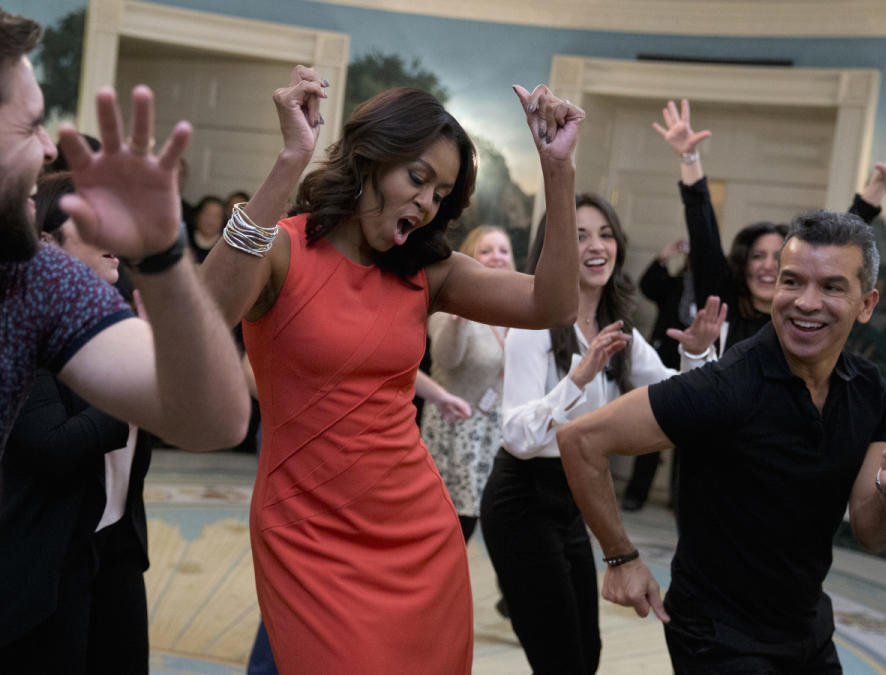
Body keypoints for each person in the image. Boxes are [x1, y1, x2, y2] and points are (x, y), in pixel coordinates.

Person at [200, 65, 585, 673]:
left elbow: (554, 305)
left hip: (416, 533)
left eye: (441, 193)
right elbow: (203, 321)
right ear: (369, 159)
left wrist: (558, 172)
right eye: (418, 177)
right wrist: (290, 159)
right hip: (305, 532)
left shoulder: (428, 272)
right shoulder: (281, 248)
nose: (427, 203)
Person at [557, 209, 886, 673]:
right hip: (717, 638)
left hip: (807, 630)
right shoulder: (726, 385)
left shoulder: (869, 393)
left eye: (832, 287)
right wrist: (621, 557)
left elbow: (874, 533)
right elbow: (580, 439)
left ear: (867, 303)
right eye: (792, 281)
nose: (805, 302)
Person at [480, 193, 726, 675]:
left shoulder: (623, 335)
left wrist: (696, 355)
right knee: (561, 661)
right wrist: (579, 378)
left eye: (605, 234)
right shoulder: (534, 326)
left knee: (585, 656)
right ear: (553, 249)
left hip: (575, 502)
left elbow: (685, 400)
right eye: (579, 235)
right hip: (521, 502)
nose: (597, 245)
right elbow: (518, 435)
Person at [0, 10, 248, 454]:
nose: (48, 148)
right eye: (29, 125)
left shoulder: (33, 278)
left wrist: (162, 256)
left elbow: (217, 423)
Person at [0, 172, 152, 674]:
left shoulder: (118, 306)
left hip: (115, 546)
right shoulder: (22, 317)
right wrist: (137, 385)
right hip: (47, 560)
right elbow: (52, 443)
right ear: (46, 240)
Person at [653, 99, 886, 353]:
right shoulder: (722, 304)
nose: (768, 265)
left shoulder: (806, 317)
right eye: (757, 256)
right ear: (744, 264)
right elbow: (703, 231)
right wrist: (690, 158)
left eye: (778, 258)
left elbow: (846, 238)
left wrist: (880, 184)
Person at [420, 224, 514, 542]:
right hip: (456, 426)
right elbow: (445, 359)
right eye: (486, 250)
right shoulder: (450, 303)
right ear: (470, 258)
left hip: (493, 428)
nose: (496, 257)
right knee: (450, 520)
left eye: (504, 250)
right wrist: (459, 324)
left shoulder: (514, 309)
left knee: (487, 516)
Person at [622, 237, 693, 511]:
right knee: (651, 430)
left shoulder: (714, 291)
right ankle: (636, 493)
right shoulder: (675, 285)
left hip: (696, 368)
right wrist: (666, 255)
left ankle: (679, 499)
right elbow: (648, 284)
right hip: (662, 364)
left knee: (689, 438)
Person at [188, 194, 226, 263]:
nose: (211, 221)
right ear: (197, 216)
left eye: (216, 216)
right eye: (207, 214)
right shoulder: (184, 238)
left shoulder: (226, 245)